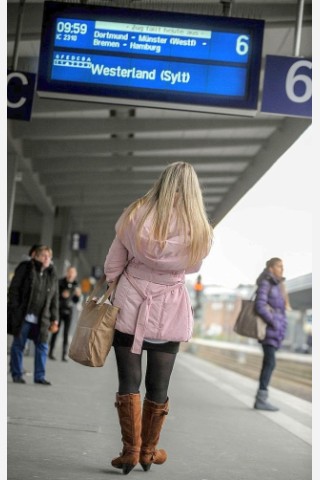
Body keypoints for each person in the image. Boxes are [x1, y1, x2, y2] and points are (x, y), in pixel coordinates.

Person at [104, 161, 213, 474]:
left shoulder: (136, 213)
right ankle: (149, 452)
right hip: (169, 309)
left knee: (129, 380)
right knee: (159, 384)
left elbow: (114, 262)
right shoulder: (199, 227)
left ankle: (130, 450)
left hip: (129, 303)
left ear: (162, 181)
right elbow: (192, 268)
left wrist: (119, 281)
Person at [8, 245, 59, 385]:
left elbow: (54, 298)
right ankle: (17, 374)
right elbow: (14, 289)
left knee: (42, 346)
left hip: (42, 319)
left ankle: (39, 376)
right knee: (19, 344)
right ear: (36, 256)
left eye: (49, 256)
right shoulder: (26, 267)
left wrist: (55, 318)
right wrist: (15, 308)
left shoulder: (52, 273)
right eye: (44, 256)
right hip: (24, 315)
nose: (47, 259)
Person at [253, 257, 289, 411]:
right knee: (270, 363)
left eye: (282, 266)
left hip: (275, 332)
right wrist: (274, 322)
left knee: (269, 363)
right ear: (271, 268)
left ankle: (261, 398)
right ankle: (261, 399)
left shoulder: (277, 285)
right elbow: (259, 306)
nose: (282, 269)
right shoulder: (266, 283)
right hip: (269, 331)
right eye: (279, 266)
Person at [49, 266, 81, 362]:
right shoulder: (60, 282)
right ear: (67, 272)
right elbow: (54, 295)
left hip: (69, 311)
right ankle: (51, 352)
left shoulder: (76, 285)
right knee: (55, 331)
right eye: (69, 272)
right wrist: (62, 295)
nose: (71, 274)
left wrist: (77, 296)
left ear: (75, 275)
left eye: (73, 272)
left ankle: (64, 354)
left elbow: (75, 301)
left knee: (66, 333)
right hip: (59, 310)